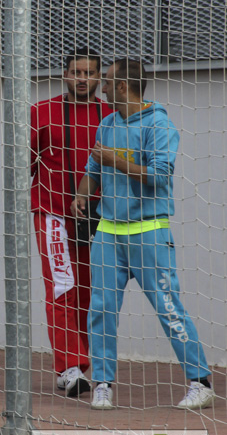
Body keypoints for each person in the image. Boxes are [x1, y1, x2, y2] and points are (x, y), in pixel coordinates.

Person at [72, 58, 214, 410]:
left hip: (149, 232)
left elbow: (159, 176)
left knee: (169, 308)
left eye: (105, 81)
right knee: (101, 309)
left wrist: (114, 161)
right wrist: (80, 195)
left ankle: (201, 382)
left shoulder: (159, 124)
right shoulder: (106, 123)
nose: (100, 86)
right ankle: (102, 383)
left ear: (122, 86)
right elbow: (94, 168)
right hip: (107, 232)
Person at [31, 48, 112, 397]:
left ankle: (84, 363)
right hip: (52, 215)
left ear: (99, 78)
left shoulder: (111, 116)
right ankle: (69, 367)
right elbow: (25, 162)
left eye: (89, 73)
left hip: (100, 217)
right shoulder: (41, 112)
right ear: (65, 75)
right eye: (76, 72)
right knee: (61, 286)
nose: (82, 79)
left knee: (88, 291)